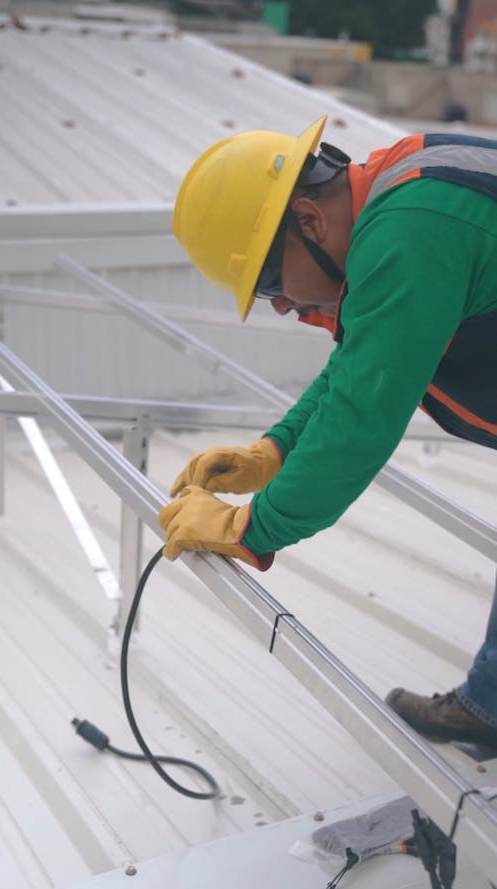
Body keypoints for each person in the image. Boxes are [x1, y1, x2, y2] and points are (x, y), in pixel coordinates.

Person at [158, 116, 497, 746]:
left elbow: (362, 419)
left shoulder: (411, 233)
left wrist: (249, 528)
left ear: (309, 222)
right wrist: (274, 451)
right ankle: (492, 706)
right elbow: (364, 356)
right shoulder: (398, 192)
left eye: (267, 286)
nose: (282, 306)